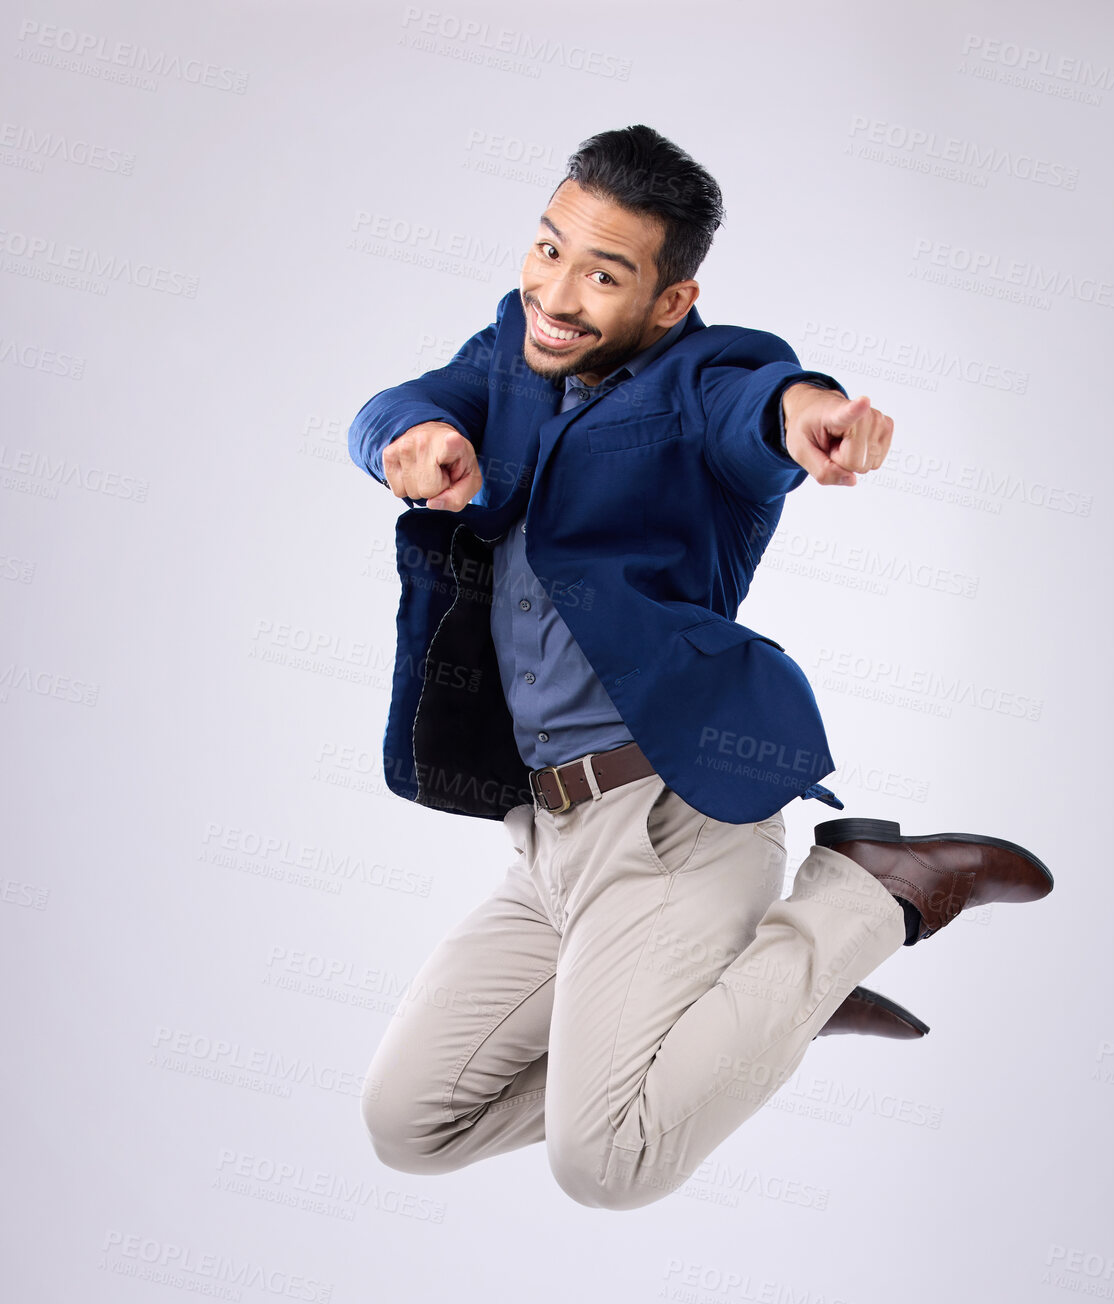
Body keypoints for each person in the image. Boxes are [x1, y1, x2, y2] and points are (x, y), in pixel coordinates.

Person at [346, 124, 1053, 1211]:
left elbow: (760, 404)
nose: (557, 291)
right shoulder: (514, 353)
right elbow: (397, 404)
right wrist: (412, 438)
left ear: (668, 300)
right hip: (546, 840)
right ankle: (761, 1010)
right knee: (410, 1124)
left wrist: (810, 420)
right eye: (547, 250)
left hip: (670, 818)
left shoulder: (697, 374)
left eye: (604, 273)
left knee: (608, 1164)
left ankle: (874, 894)